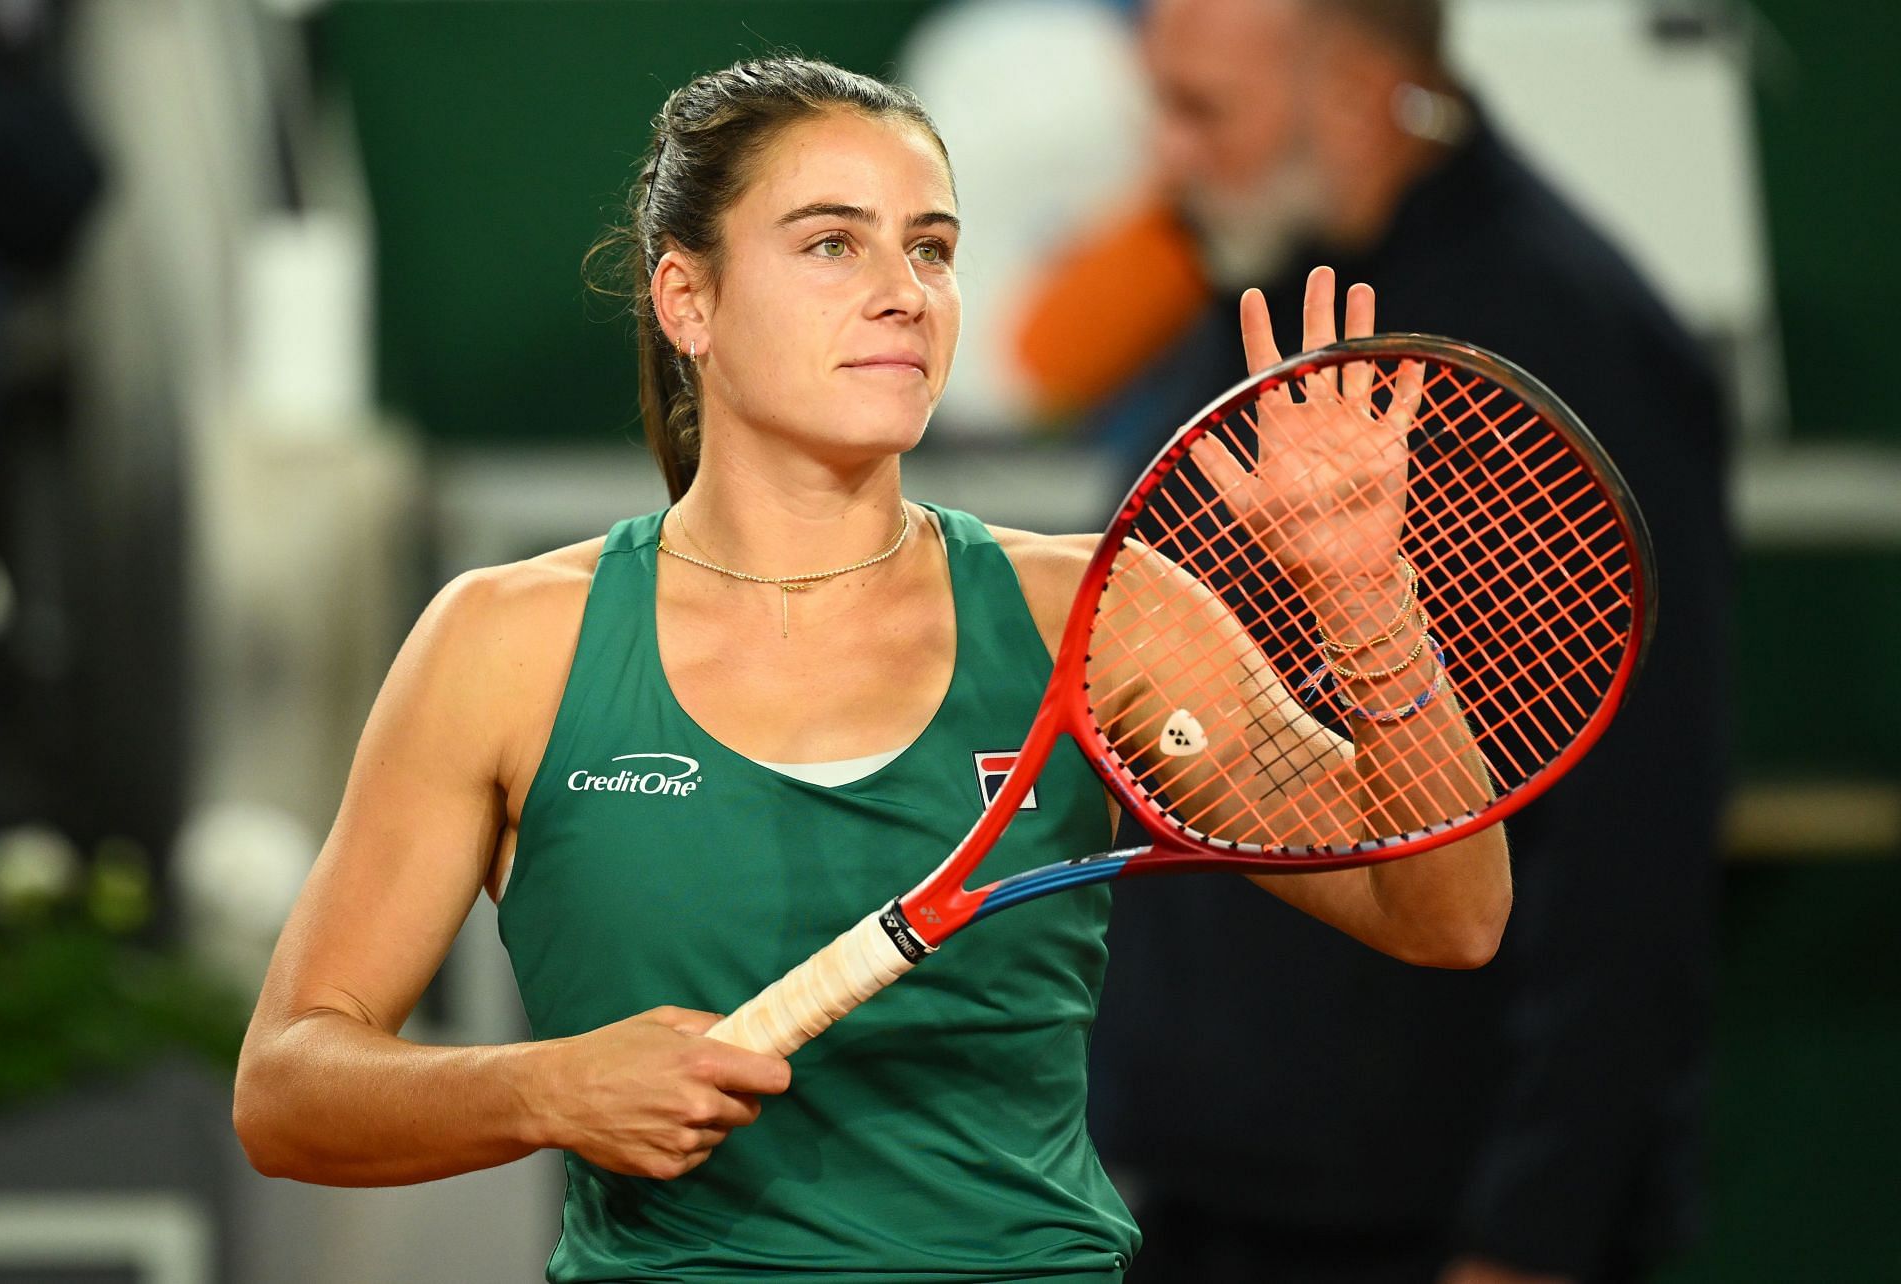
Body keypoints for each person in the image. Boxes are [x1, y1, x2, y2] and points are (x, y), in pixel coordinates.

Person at [232, 56, 1513, 1282]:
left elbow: (1446, 913)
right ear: (689, 301)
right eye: (832, 242)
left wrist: (1365, 599)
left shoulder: (1101, 615)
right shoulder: (507, 641)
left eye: (933, 247)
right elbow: (289, 1089)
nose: (903, 289)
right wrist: (544, 1087)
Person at [1051, 4, 1730, 1283]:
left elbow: (1639, 845)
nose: (1168, 157)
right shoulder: (1270, 276)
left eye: (1204, 109)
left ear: (1361, 100)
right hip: (1202, 1194)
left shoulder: (1575, 336)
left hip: (1429, 1228)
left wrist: (1533, 1234)